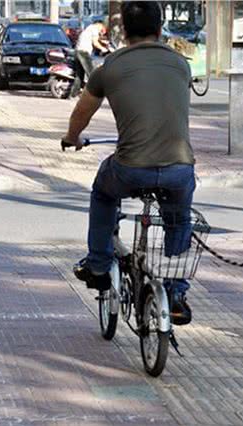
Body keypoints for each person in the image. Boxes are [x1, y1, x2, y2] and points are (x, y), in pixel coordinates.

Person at [62, 1, 195, 325]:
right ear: (160, 29)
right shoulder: (181, 64)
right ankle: (176, 290)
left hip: (130, 167)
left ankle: (97, 264)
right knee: (178, 217)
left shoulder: (110, 67)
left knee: (103, 192)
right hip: (179, 167)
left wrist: (72, 138)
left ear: (123, 32)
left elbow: (82, 111)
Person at [75, 16, 109, 82]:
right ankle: (95, 91)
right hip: (83, 53)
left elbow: (97, 39)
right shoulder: (95, 29)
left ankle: (74, 92)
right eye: (103, 30)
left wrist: (104, 42)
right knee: (91, 75)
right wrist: (103, 49)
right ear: (100, 25)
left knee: (79, 77)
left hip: (78, 51)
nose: (102, 32)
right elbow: (95, 42)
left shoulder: (90, 28)